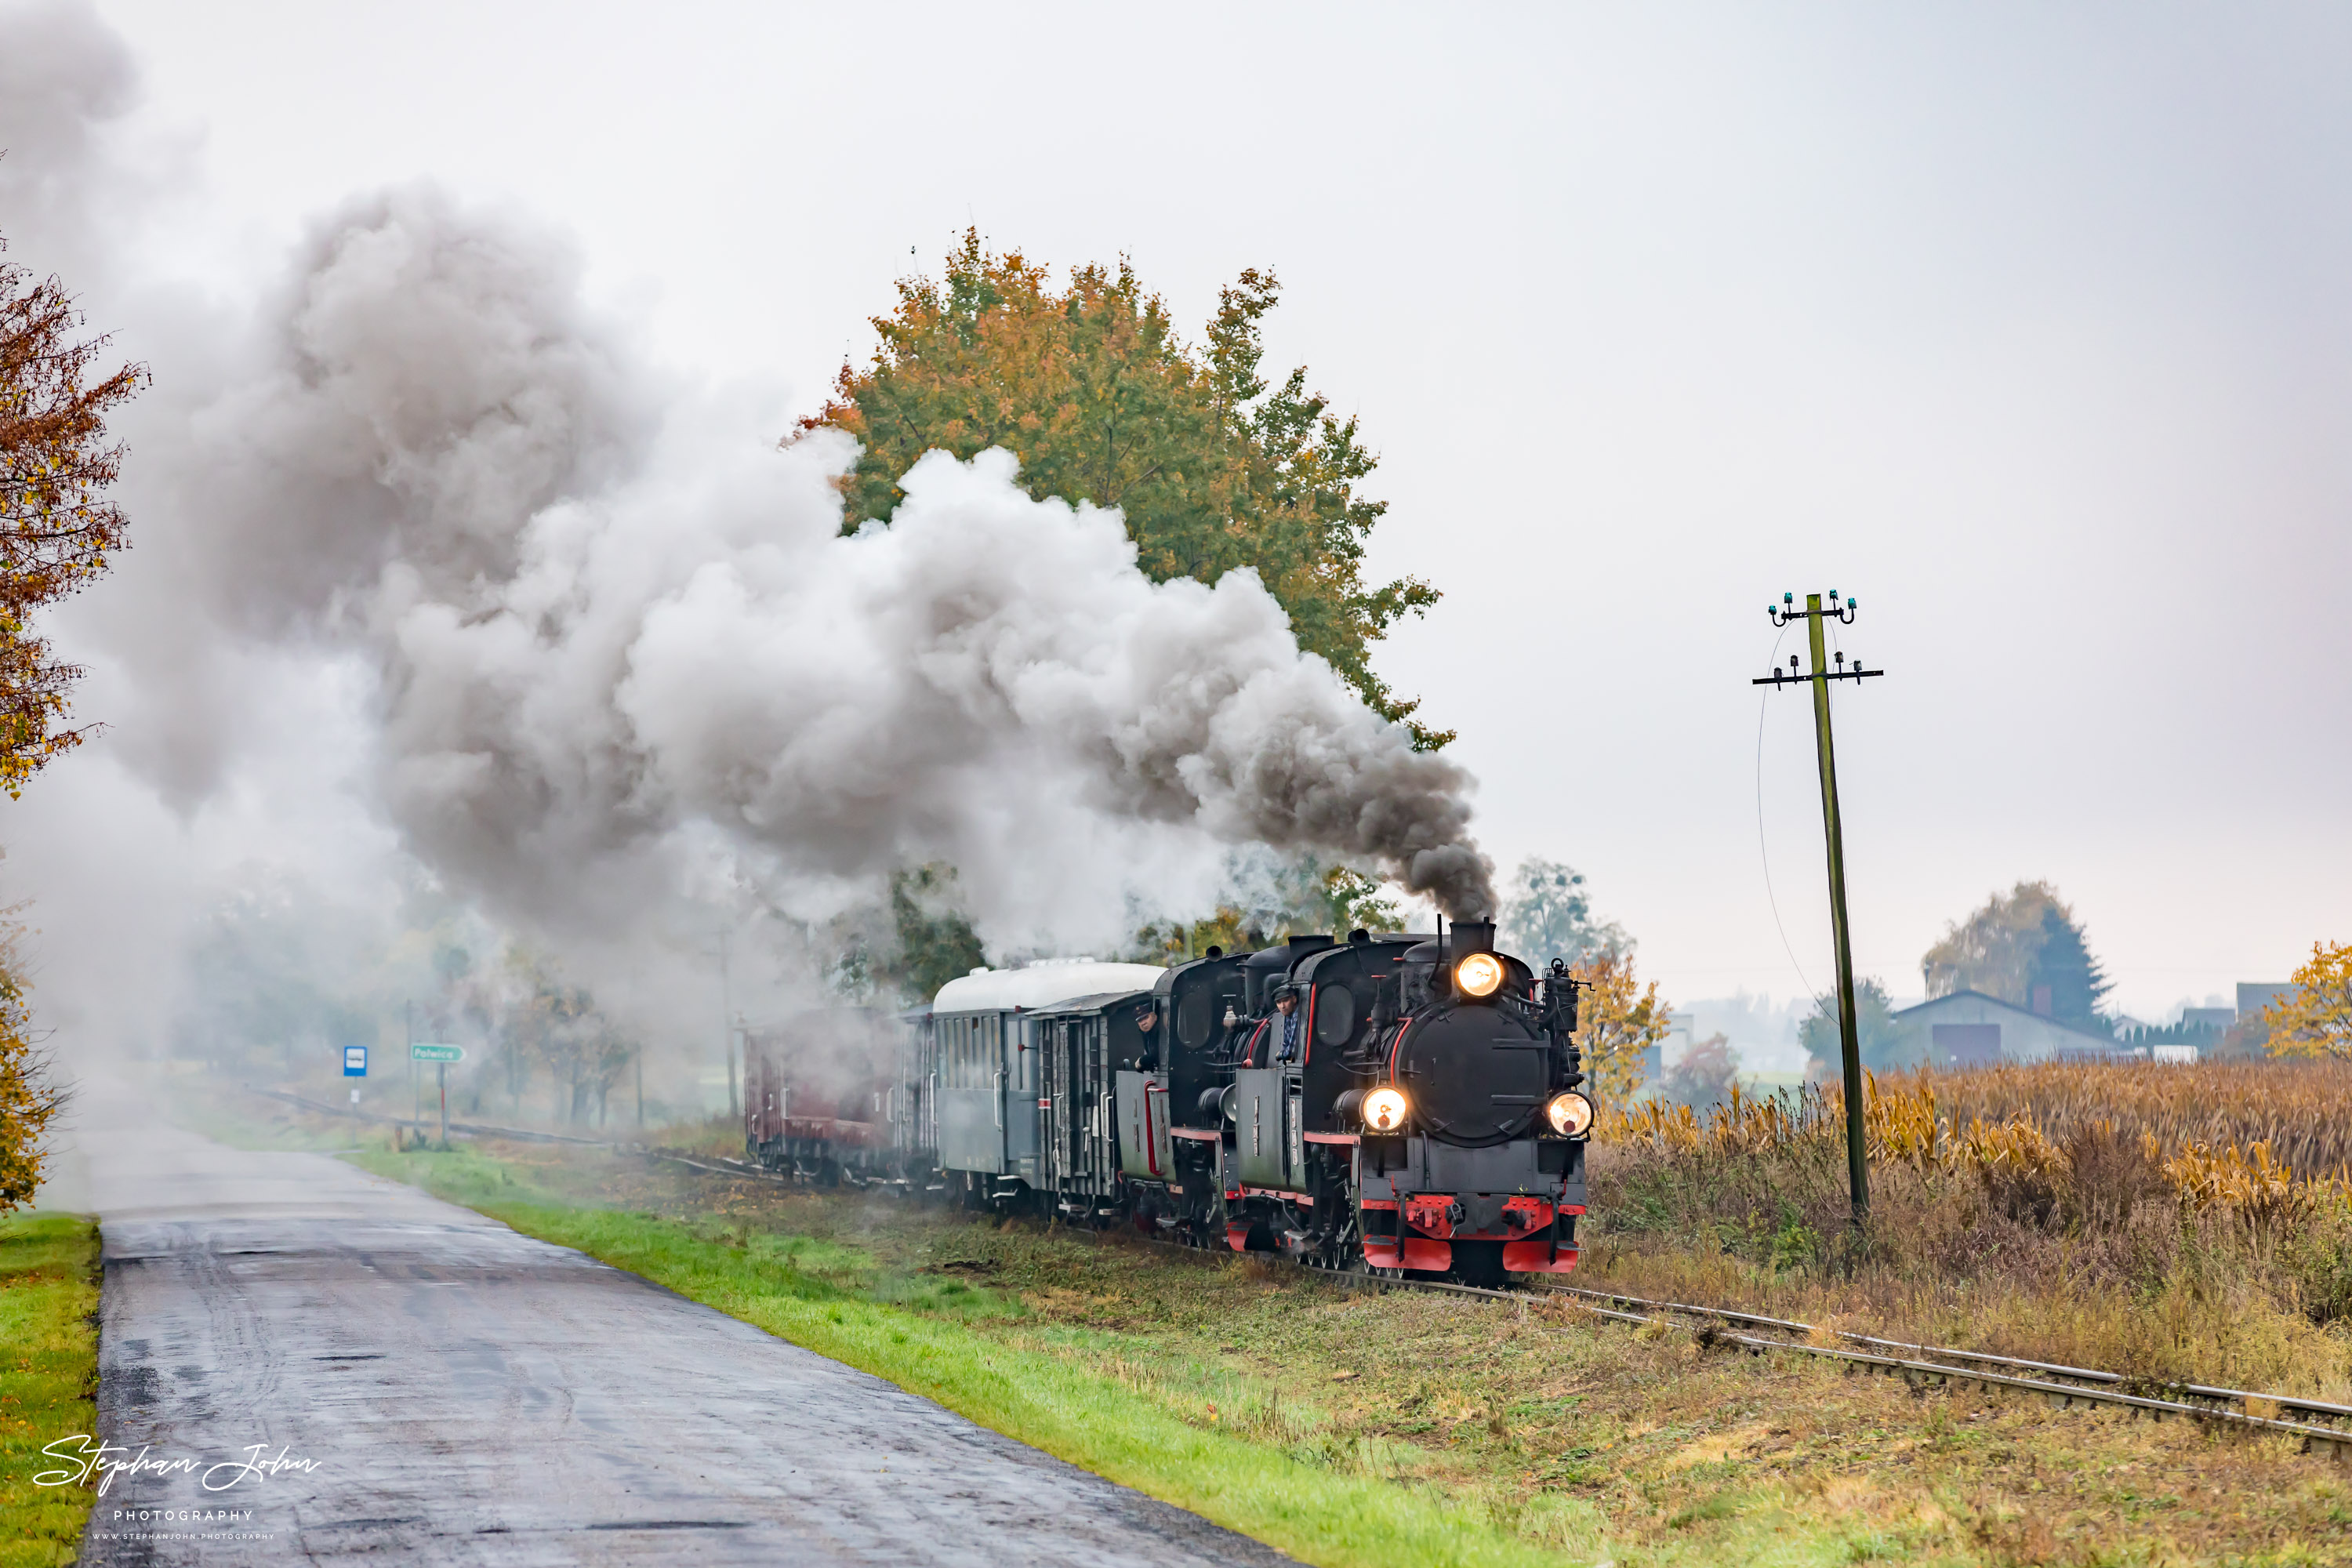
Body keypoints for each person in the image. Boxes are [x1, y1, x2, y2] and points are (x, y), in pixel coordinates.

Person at [1273, 985, 1301, 1063]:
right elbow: (1286, 1043)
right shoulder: (1288, 1016)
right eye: (1279, 1002)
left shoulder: (1297, 1016)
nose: (1283, 1006)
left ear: (1294, 999)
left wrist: (1280, 1055)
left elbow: (1291, 1051)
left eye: (1286, 1001)